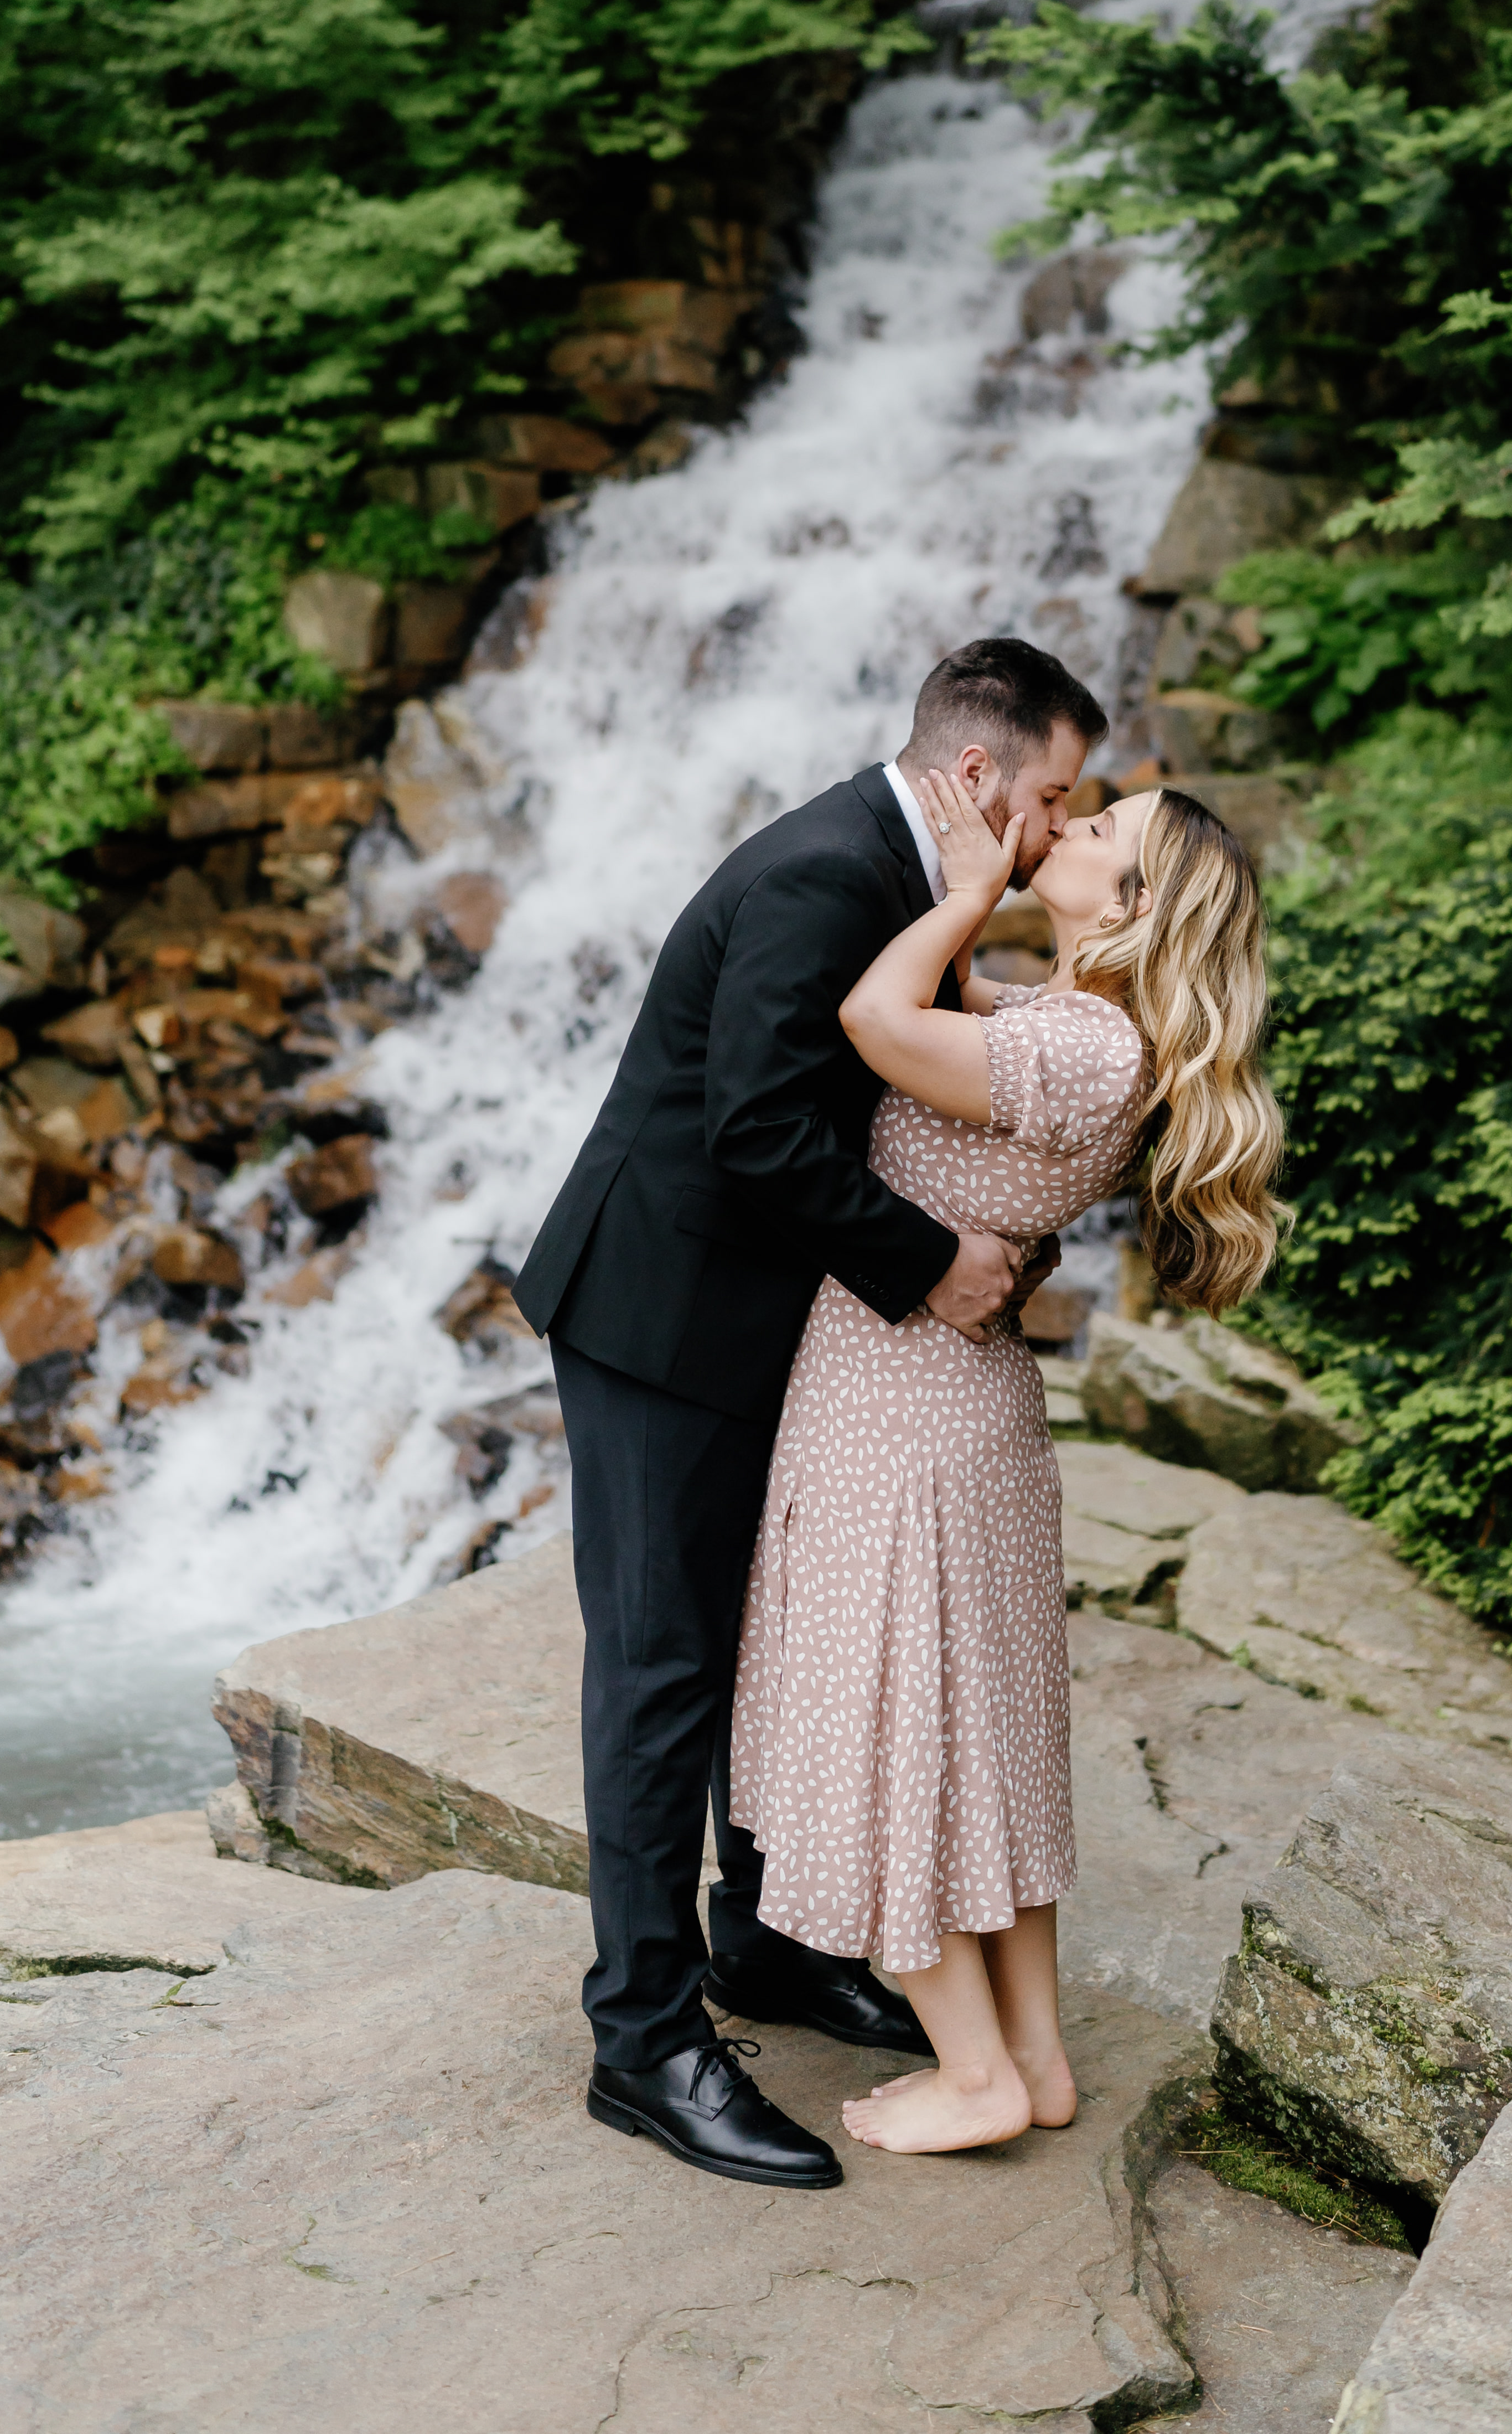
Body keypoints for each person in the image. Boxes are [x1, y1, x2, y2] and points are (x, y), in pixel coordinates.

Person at [509, 637, 1109, 2191]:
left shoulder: (910, 877)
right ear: (979, 777)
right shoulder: (829, 872)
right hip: (662, 1318)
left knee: (771, 1635)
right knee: (665, 1669)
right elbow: (757, 1123)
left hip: (777, 1322)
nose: (1058, 833)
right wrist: (938, 1267)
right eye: (1055, 797)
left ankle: (766, 1949)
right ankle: (643, 2039)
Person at [728, 766, 1287, 2155]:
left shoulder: (1084, 1049)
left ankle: (971, 2073)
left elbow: (871, 1019)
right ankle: (1033, 2059)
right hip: (952, 1408)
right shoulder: (1091, 1029)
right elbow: (962, 1013)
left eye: (1098, 833)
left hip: (897, 1410)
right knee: (979, 1738)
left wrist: (968, 887)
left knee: (881, 1733)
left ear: (1139, 901)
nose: (1070, 827)